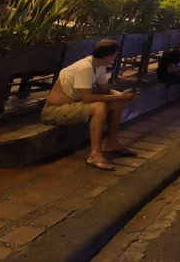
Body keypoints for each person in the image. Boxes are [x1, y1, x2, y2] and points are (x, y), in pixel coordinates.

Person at [42, 40, 140, 171]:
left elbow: (105, 90)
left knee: (116, 102)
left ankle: (112, 143)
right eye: (114, 55)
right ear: (107, 57)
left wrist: (124, 97)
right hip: (54, 111)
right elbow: (87, 98)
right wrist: (121, 96)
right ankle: (94, 155)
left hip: (73, 106)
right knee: (99, 106)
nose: (115, 58)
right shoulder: (85, 67)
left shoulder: (99, 66)